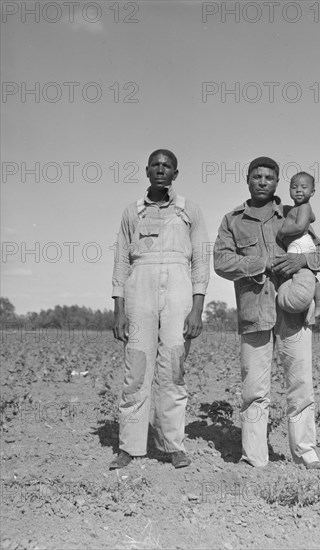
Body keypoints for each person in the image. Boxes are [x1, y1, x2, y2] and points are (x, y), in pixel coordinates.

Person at [214, 157, 320, 469]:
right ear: (247, 179)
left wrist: (302, 263)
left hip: (293, 311)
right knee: (254, 390)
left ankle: (306, 453)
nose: (262, 181)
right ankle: (254, 459)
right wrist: (259, 264)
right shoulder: (233, 220)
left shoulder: (292, 214)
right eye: (257, 176)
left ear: (277, 182)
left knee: (301, 385)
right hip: (255, 311)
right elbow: (221, 262)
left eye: (269, 177)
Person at [110, 149, 209, 470]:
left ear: (175, 174)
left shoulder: (189, 211)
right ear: (147, 171)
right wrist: (119, 310)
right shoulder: (132, 212)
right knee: (136, 369)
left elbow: (201, 263)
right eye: (156, 165)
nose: (161, 170)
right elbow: (121, 263)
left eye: (167, 166)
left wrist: (197, 309)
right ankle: (130, 446)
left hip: (179, 292)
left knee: (173, 369)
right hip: (139, 291)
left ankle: (173, 445)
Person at [276, 171, 320, 319]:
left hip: (300, 244)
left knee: (293, 270)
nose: (298, 190)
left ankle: (312, 304)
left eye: (303, 187)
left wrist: (282, 232)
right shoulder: (300, 208)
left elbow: (299, 227)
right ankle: (318, 300)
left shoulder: (304, 207)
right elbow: (313, 218)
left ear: (312, 192)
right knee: (307, 274)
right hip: (299, 243)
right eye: (294, 187)